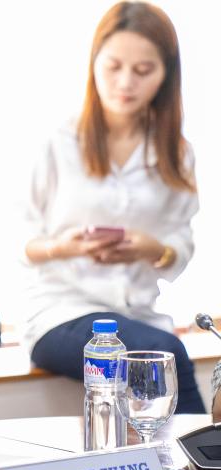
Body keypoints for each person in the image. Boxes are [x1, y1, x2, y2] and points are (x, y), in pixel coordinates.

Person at [22, 1, 205, 414]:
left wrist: (153, 249)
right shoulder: (57, 143)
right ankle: (204, 456)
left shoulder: (177, 153)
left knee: (158, 356)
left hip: (138, 315)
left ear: (165, 74)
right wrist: (64, 247)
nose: (125, 82)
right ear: (94, 64)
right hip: (61, 313)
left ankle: (189, 454)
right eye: (113, 66)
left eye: (143, 70)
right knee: (162, 356)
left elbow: (181, 244)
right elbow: (19, 240)